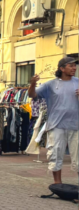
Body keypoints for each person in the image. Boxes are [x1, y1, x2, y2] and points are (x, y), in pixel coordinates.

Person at [28, 56, 78, 184]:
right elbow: (32, 95)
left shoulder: (78, 82)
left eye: (75, 65)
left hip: (76, 125)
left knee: (78, 157)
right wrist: (33, 83)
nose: (74, 68)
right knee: (55, 154)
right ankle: (58, 184)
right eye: (71, 65)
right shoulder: (51, 84)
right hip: (56, 125)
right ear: (62, 68)